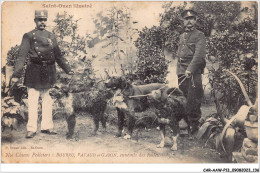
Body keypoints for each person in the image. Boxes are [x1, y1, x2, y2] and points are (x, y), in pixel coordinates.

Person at [11, 10, 74, 138]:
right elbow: (21, 56)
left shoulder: (51, 36)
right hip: (34, 71)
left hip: (49, 71)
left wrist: (68, 69)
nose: (42, 22)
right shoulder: (28, 36)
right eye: (40, 20)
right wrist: (16, 74)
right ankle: (32, 129)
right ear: (35, 20)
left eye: (44, 20)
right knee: (33, 101)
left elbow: (59, 56)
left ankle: (47, 127)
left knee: (48, 100)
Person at [176, 9, 206, 134]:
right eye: (186, 19)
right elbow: (180, 54)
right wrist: (179, 71)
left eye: (191, 19)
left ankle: (194, 125)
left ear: (195, 20)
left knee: (193, 99)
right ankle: (185, 123)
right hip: (181, 71)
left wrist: (190, 69)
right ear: (183, 21)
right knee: (183, 98)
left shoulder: (199, 35)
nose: (189, 21)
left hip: (193, 72)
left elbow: (199, 55)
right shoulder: (181, 36)